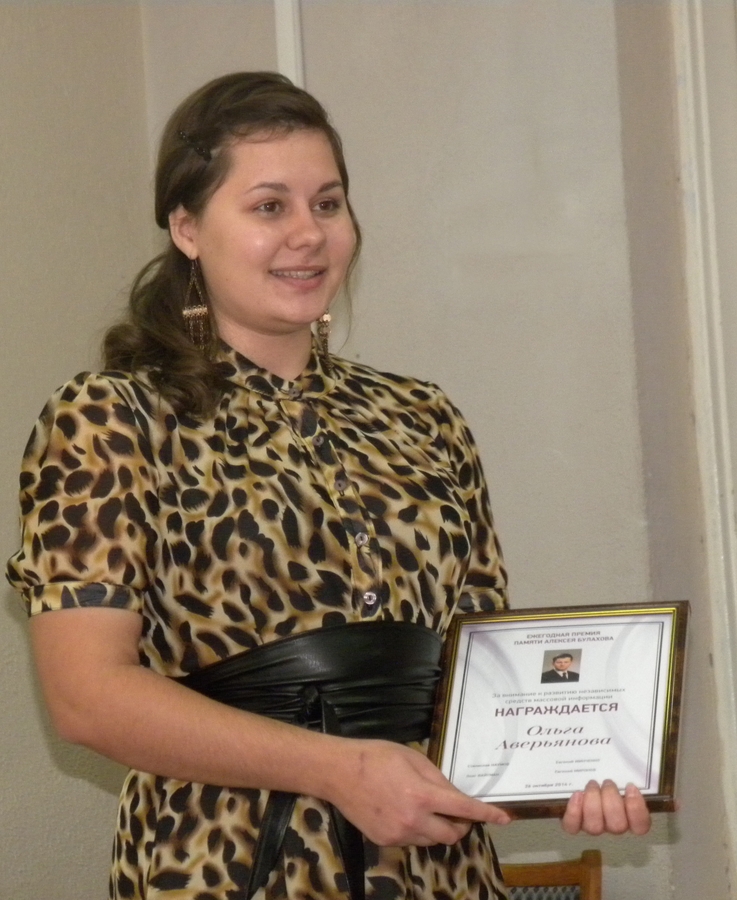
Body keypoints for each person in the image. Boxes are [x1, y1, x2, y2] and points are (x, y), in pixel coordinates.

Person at [6, 72, 651, 900]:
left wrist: (572, 767)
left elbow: (480, 675)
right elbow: (86, 699)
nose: (308, 234)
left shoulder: (423, 417)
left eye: (328, 203)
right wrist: (338, 770)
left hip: (435, 869)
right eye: (269, 206)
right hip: (228, 862)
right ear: (187, 227)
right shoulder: (111, 418)